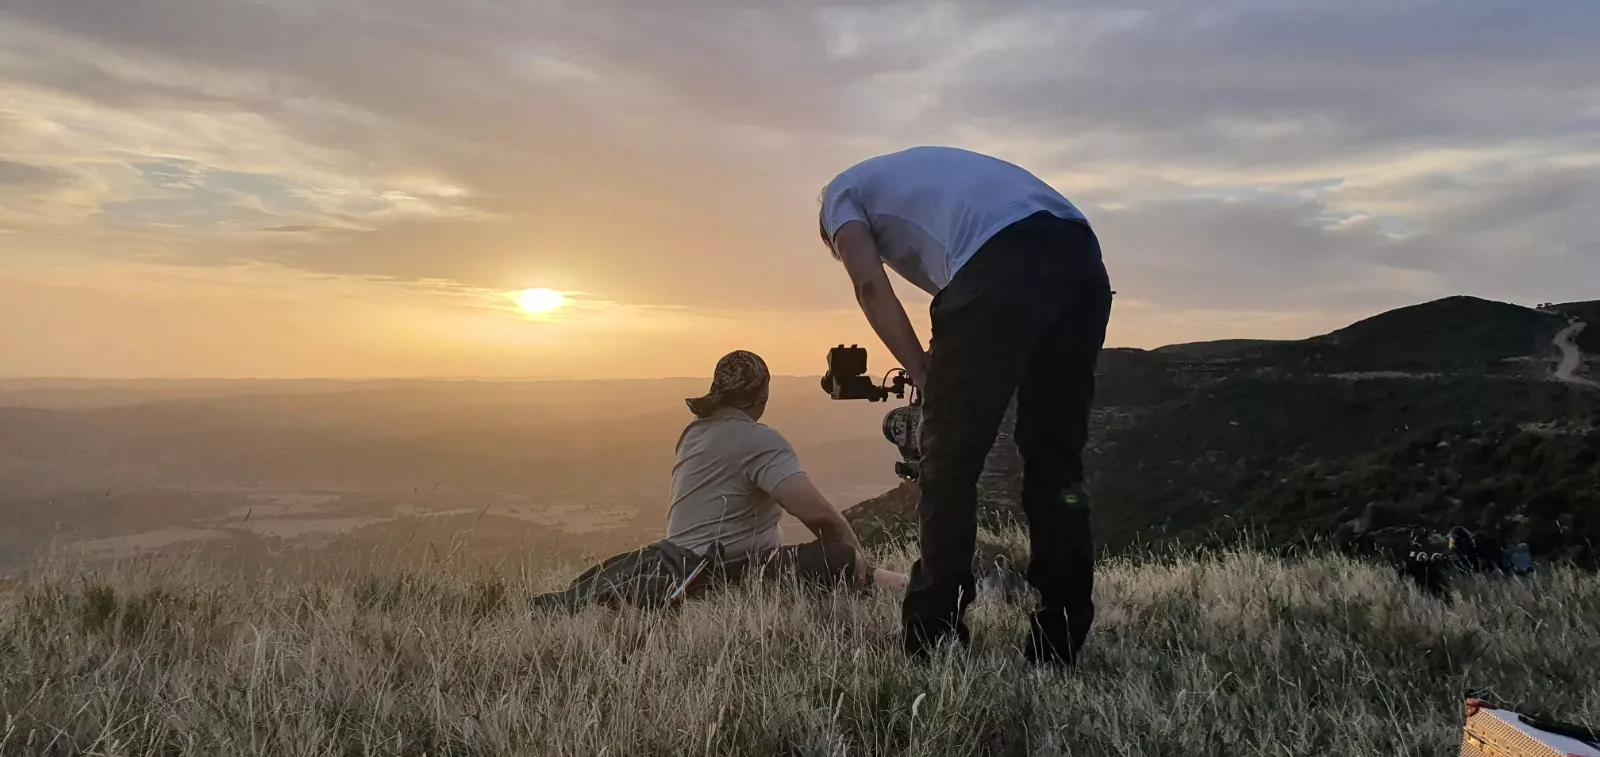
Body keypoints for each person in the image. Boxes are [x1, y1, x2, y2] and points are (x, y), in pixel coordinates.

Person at [817, 146, 1113, 665]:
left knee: (949, 463)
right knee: (1055, 461)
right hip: (1081, 256)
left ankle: (934, 638)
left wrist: (922, 371)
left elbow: (869, 285)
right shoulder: (919, 175)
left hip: (999, 260)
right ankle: (1060, 638)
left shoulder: (839, 196)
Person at [666, 349, 908, 593]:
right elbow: (820, 516)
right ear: (763, 394)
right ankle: (887, 585)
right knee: (840, 559)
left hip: (678, 569)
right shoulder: (757, 439)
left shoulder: (693, 433)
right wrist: (861, 567)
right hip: (723, 573)